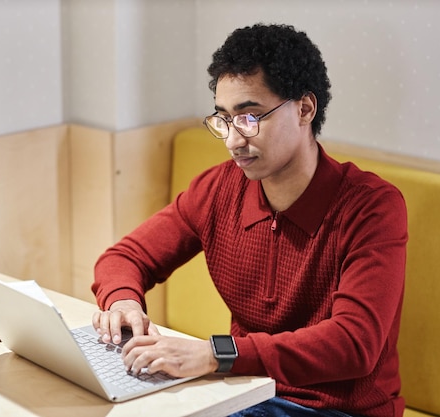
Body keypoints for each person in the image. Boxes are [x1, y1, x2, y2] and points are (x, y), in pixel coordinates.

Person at [92, 23, 407, 417]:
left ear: (305, 109)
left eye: (250, 116)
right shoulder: (217, 190)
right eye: (224, 119)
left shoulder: (371, 207)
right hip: (244, 393)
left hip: (338, 410)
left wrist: (213, 354)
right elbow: (125, 257)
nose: (233, 140)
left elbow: (353, 344)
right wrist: (123, 303)